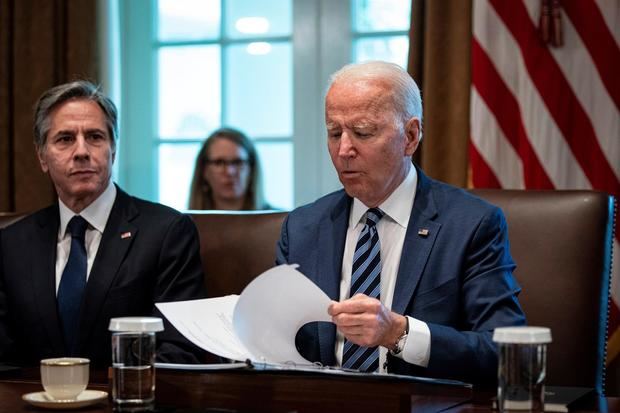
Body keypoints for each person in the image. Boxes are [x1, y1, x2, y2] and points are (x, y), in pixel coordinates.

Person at [276, 61, 525, 383]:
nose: (344, 149)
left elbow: (505, 351)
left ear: (410, 136)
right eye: (334, 133)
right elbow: (279, 340)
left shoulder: (472, 224)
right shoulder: (302, 227)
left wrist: (398, 332)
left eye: (363, 132)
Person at [0, 80, 206, 367]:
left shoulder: (166, 232)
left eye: (95, 137)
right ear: (42, 157)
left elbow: (180, 348)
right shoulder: (11, 244)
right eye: (65, 139)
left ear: (113, 149)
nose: (82, 151)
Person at [188, 127, 269, 210]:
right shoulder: (184, 222)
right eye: (219, 162)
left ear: (252, 168)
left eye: (238, 162)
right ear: (204, 170)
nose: (230, 171)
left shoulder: (279, 221)